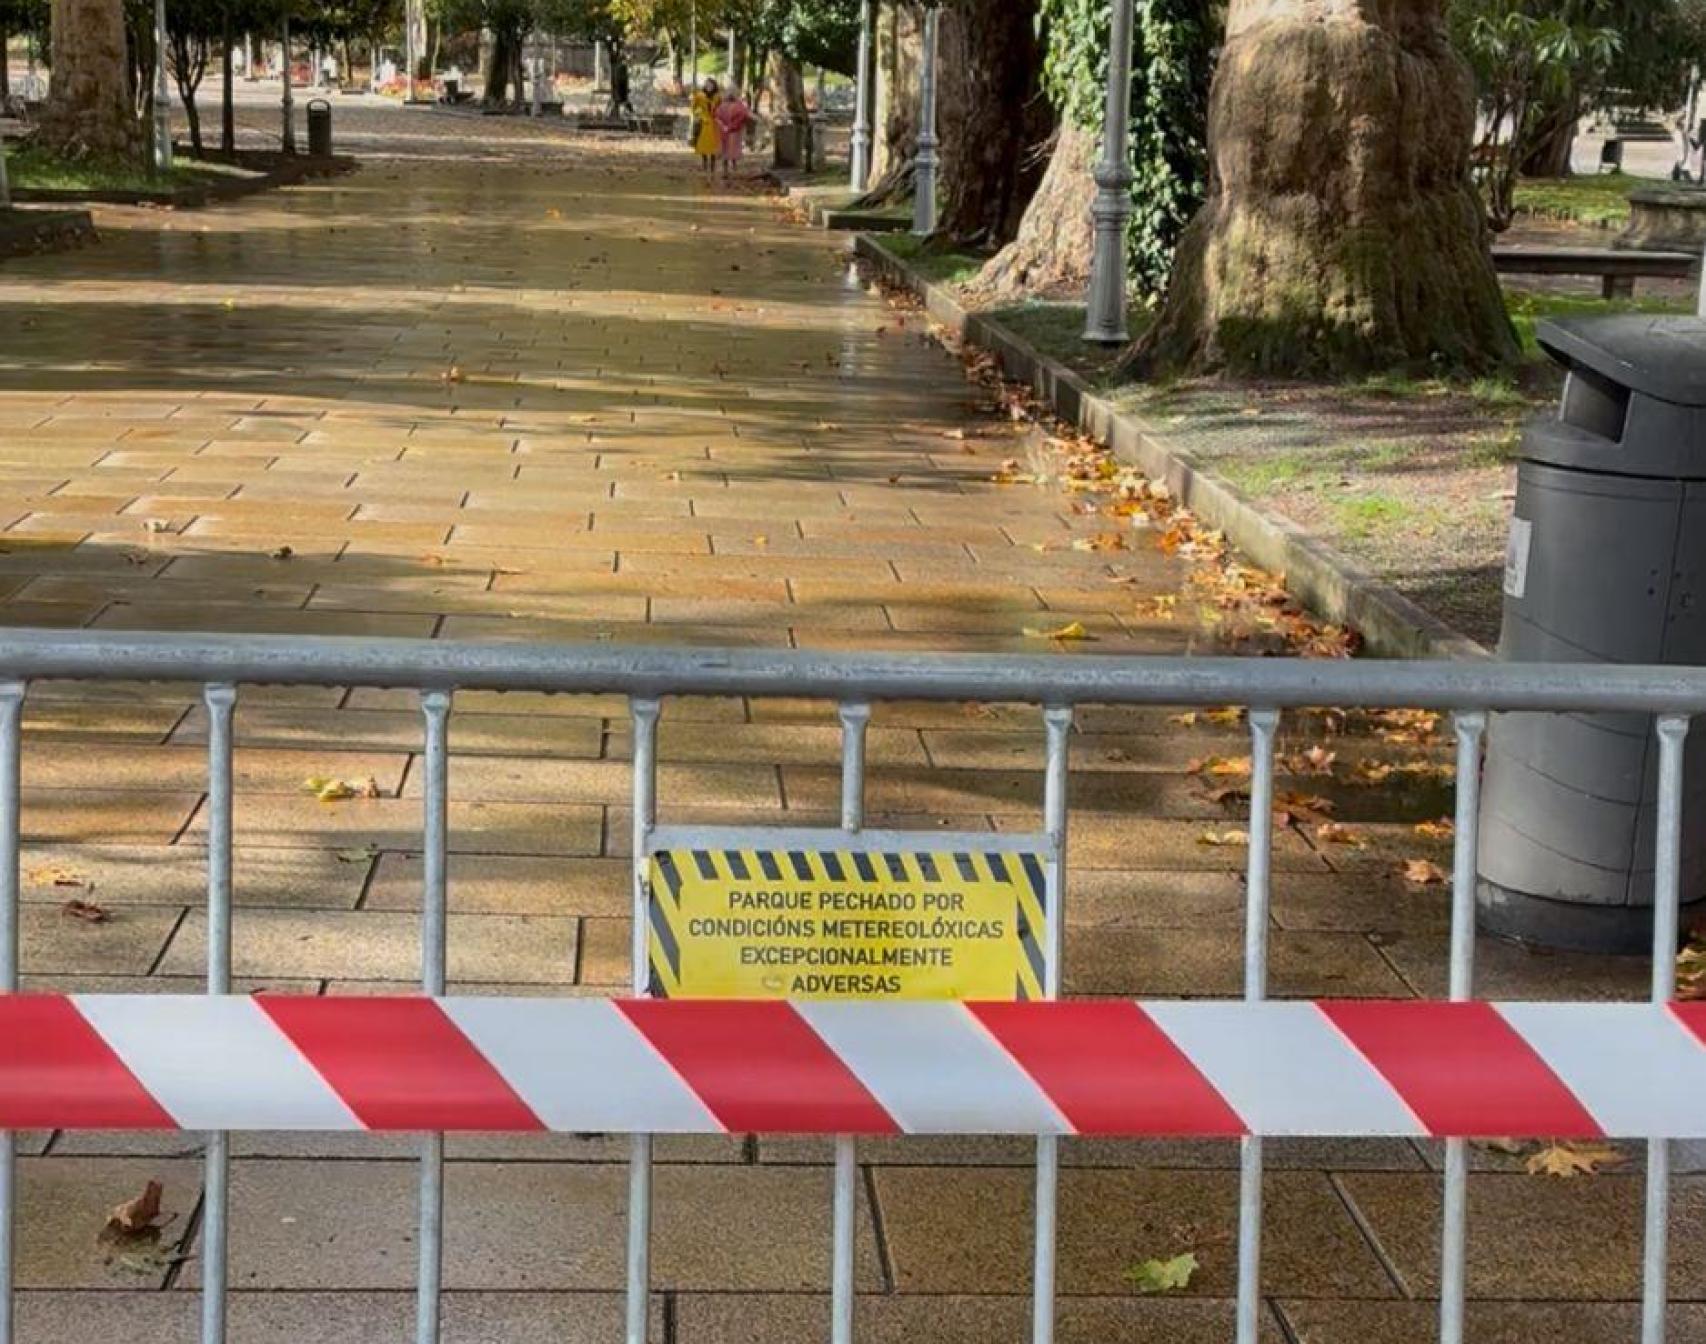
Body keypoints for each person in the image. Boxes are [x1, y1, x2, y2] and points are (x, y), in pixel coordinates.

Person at [713, 84, 751, 182]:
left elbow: (717, 117)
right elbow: (717, 116)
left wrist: (726, 127)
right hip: (730, 131)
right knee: (729, 150)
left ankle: (730, 169)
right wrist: (726, 126)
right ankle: (730, 168)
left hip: (729, 131)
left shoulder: (733, 106)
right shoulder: (733, 106)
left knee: (729, 150)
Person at [690, 78, 721, 176]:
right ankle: (704, 163)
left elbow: (720, 108)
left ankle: (712, 166)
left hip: (714, 123)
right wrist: (699, 114)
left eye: (711, 85)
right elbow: (693, 108)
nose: (709, 87)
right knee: (703, 145)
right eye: (707, 85)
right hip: (704, 122)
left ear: (714, 86)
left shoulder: (718, 97)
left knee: (713, 146)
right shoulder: (699, 96)